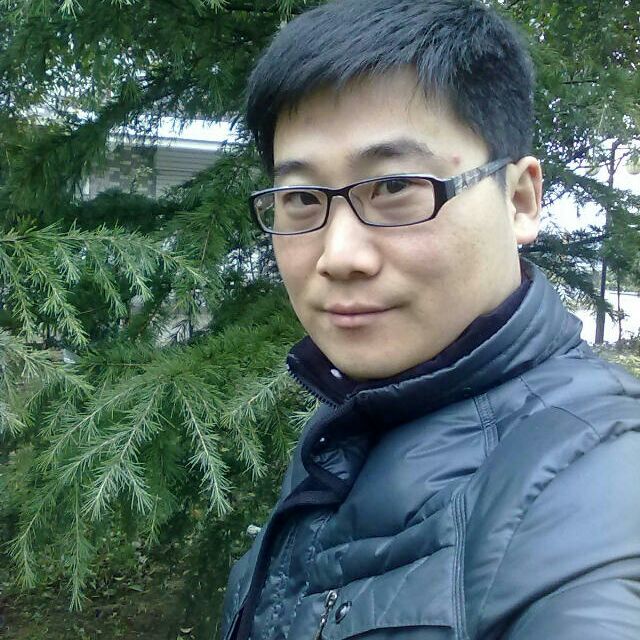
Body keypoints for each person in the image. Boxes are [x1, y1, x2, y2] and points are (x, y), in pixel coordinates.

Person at [221, 1, 640, 638]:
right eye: (302, 197)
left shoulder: (599, 478)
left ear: (520, 200)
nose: (339, 256)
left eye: (394, 187)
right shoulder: (354, 423)